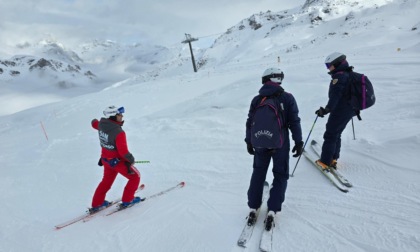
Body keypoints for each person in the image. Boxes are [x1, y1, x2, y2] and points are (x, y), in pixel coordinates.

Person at [245, 68, 303, 230]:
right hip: (280, 143)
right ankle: (273, 209)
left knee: (258, 172)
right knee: (280, 175)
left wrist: (249, 141)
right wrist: (298, 141)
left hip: (260, 143)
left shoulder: (257, 99)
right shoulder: (287, 98)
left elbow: (250, 122)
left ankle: (253, 206)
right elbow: (294, 121)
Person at [89, 105, 141, 213]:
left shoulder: (102, 125)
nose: (122, 116)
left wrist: (94, 120)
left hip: (106, 161)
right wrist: (131, 160)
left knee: (106, 182)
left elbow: (94, 123)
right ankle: (128, 200)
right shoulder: (119, 132)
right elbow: (124, 152)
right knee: (135, 177)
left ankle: (97, 203)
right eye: (119, 115)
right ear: (112, 116)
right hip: (116, 162)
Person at [315, 52, 356, 170]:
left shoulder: (339, 76)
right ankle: (333, 157)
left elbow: (335, 96)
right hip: (350, 109)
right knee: (336, 133)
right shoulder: (348, 73)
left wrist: (327, 109)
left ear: (337, 64)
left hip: (341, 110)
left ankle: (325, 161)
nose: (328, 68)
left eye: (329, 65)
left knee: (330, 134)